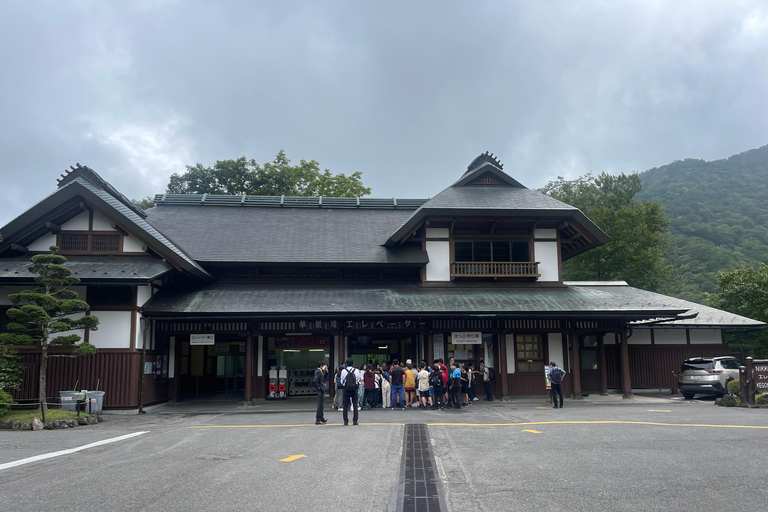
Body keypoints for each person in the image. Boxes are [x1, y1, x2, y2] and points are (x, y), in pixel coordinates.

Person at [340, 358, 360, 425]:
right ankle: (355, 421)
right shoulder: (356, 370)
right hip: (354, 389)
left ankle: (346, 421)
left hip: (346, 389)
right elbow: (358, 379)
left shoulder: (343, 371)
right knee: (355, 405)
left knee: (345, 405)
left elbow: (341, 381)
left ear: (346, 364)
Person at [314, 361, 328, 425]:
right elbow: (315, 380)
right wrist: (318, 387)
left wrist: (326, 371)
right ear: (321, 365)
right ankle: (318, 419)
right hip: (320, 390)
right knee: (320, 405)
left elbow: (323, 379)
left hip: (322, 389)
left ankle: (321, 418)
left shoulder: (321, 371)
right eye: (324, 365)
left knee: (321, 405)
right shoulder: (318, 371)